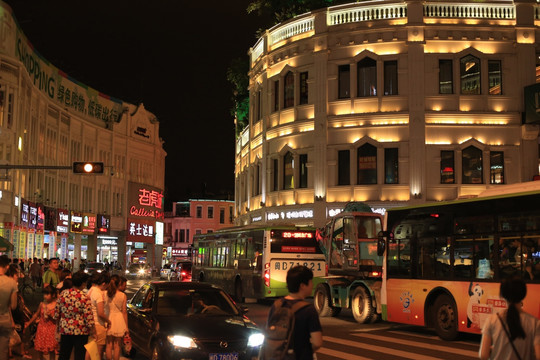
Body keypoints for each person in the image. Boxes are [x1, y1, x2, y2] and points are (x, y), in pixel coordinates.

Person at [266, 265, 323, 360]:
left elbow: (268, 331)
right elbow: (317, 342)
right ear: (302, 286)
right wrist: (307, 352)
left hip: (278, 355)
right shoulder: (308, 310)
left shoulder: (277, 305)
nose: (312, 285)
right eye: (310, 281)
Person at [479, 274, 540, 360]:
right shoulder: (535, 323)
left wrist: (496, 349)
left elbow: (483, 355)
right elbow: (538, 356)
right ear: (523, 294)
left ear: (503, 295)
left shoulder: (492, 320)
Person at [54, 271, 94, 360]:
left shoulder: (63, 294)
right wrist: (93, 330)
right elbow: (88, 317)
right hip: (81, 331)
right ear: (83, 283)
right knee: (79, 355)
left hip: (65, 329)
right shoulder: (84, 296)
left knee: (64, 354)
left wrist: (57, 327)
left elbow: (57, 313)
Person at [25, 285, 58, 360]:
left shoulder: (56, 305)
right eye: (44, 294)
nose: (45, 296)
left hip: (51, 329)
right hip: (41, 328)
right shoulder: (42, 304)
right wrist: (29, 322)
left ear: (53, 295)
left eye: (47, 294)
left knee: (51, 350)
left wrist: (52, 316)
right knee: (39, 349)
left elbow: (58, 319)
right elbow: (36, 314)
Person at [6, 264, 30, 359]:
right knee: (18, 332)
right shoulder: (10, 287)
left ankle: (11, 351)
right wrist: (11, 319)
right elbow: (9, 305)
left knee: (15, 332)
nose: (18, 276)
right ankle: (18, 351)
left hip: (17, 313)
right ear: (11, 275)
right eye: (16, 274)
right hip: (14, 314)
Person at [85, 273, 111, 360]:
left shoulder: (91, 290)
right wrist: (108, 321)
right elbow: (100, 313)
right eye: (107, 285)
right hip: (98, 325)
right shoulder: (98, 294)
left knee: (90, 349)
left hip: (90, 324)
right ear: (104, 283)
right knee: (98, 352)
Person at [105, 275, 128, 360]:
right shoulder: (122, 295)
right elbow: (124, 311)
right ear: (119, 284)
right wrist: (126, 326)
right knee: (117, 345)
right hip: (119, 319)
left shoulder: (107, 294)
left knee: (108, 345)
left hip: (109, 318)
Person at [0, 255, 18, 360]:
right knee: (3, 350)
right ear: (7, 267)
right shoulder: (12, 283)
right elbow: (14, 306)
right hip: (5, 319)